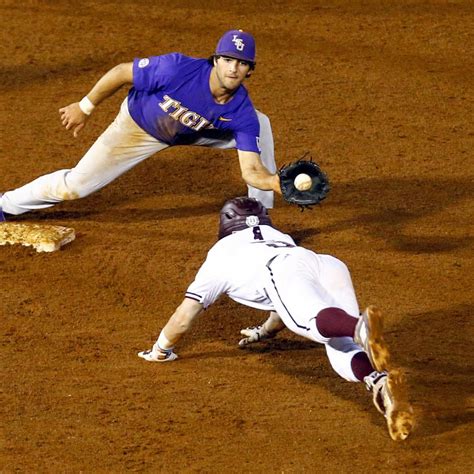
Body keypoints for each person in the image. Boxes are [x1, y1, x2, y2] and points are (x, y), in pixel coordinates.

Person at [138, 197, 415, 441]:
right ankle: (380, 383)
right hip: (325, 263)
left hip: (283, 270)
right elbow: (287, 300)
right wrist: (265, 331)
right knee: (339, 346)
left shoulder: (219, 256)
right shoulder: (277, 235)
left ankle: (359, 327)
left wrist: (160, 351)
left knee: (316, 324)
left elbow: (184, 317)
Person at [0, 30, 279, 222]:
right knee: (75, 186)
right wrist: (84, 106)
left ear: (250, 70)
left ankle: (259, 211)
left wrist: (274, 183)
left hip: (196, 132)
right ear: (215, 60)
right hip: (139, 127)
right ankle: (5, 204)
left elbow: (250, 169)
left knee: (261, 123)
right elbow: (122, 72)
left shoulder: (240, 110)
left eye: (241, 63)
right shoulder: (177, 69)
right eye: (228, 60)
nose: (233, 68)